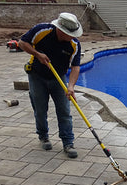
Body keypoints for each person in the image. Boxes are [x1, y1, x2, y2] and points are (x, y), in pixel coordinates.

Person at [19, 12, 83, 158]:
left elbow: (76, 67)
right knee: (40, 109)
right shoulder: (41, 31)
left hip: (58, 78)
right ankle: (43, 136)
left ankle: (68, 142)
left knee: (64, 110)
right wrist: (37, 54)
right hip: (37, 76)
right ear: (61, 30)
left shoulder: (74, 44)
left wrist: (71, 86)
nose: (73, 37)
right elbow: (22, 43)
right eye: (70, 34)